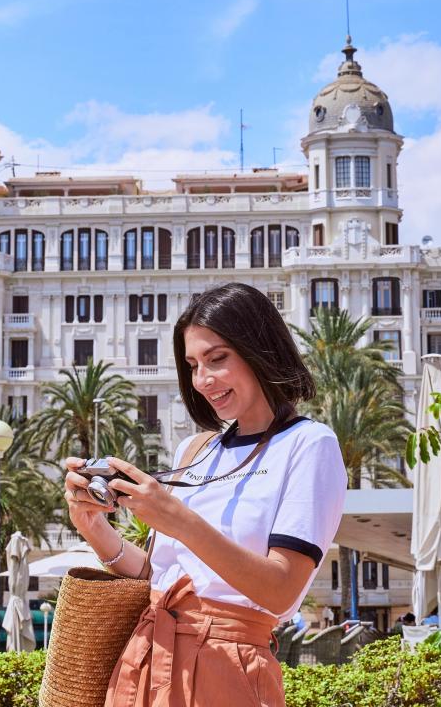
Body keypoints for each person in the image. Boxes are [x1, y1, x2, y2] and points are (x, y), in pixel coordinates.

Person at [63, 283, 348, 706]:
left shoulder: (309, 445)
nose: (203, 380)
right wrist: (93, 527)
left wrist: (176, 518)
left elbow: (282, 591)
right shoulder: (195, 450)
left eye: (218, 359)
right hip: (144, 661)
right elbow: (165, 575)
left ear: (260, 350)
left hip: (228, 669)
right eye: (193, 365)